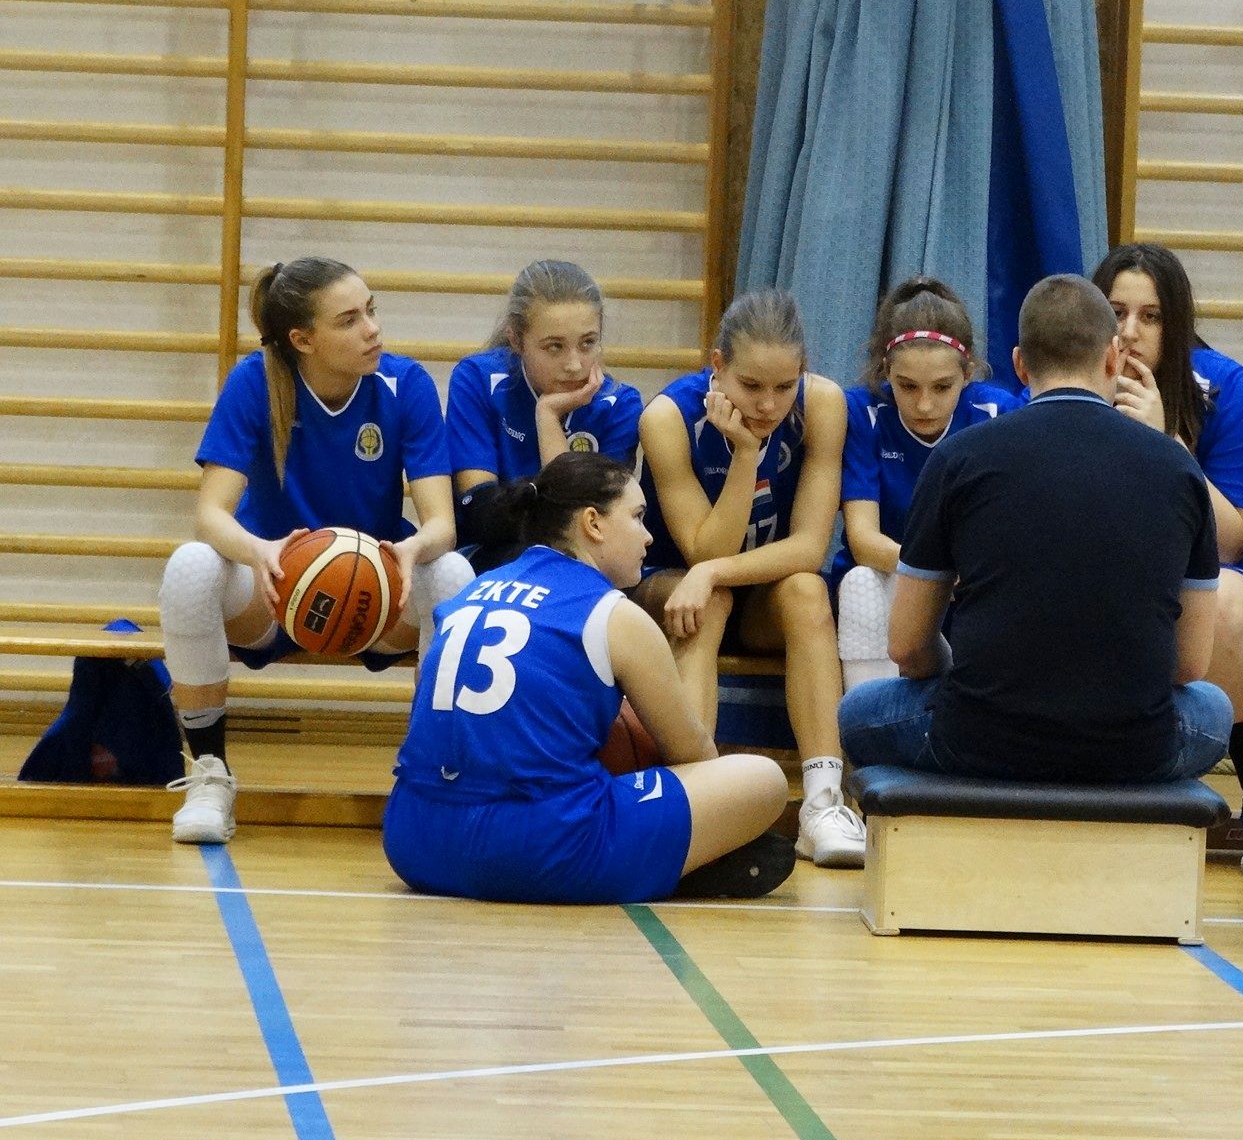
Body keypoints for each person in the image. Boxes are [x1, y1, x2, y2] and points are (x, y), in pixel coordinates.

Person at [837, 274, 1232, 783]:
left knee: (858, 711)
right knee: (1213, 707)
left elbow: (909, 649)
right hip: (1135, 750)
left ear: (1020, 365)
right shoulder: (1180, 470)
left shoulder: (958, 458)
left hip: (978, 742)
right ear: (1113, 358)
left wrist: (964, 685)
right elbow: (1189, 666)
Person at [158, 258, 474, 845]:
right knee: (191, 566)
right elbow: (210, 515)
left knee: (452, 572)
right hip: (273, 590)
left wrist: (412, 550)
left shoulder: (405, 384)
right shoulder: (254, 382)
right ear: (303, 340)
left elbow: (442, 526)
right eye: (349, 320)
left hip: (373, 597)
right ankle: (209, 774)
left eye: (371, 311)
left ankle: (430, 782)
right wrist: (259, 551)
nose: (372, 329)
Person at [383, 453, 792, 903]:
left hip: (412, 841)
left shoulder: (470, 592)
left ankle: (661, 859)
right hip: (538, 850)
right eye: (637, 517)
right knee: (763, 780)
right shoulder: (613, 613)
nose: (649, 536)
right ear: (593, 523)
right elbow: (693, 755)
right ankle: (680, 863)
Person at [633, 289, 862, 868]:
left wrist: (713, 572)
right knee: (709, 604)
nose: (767, 404)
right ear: (718, 365)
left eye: (784, 387)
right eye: (751, 385)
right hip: (673, 588)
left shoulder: (823, 405)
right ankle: (694, 803)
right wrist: (745, 456)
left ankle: (823, 805)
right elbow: (702, 547)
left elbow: (809, 547)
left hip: (755, 590)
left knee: (808, 590)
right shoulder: (667, 418)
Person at [1092, 246, 1243, 870]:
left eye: (1150, 316)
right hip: (1098, 567)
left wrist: (1165, 440)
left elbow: (1235, 539)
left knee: (1228, 596)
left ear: (1176, 325)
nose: (1129, 331)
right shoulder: (1066, 375)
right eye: (1116, 312)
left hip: (1189, 573)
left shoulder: (1226, 387)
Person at [836, 277, 1018, 690]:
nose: (924, 404)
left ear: (967, 373)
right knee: (861, 583)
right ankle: (870, 726)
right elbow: (864, 540)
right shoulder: (863, 412)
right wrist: (934, 576)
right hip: (891, 579)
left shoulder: (998, 414)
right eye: (907, 386)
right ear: (886, 371)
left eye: (942, 387)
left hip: (970, 584)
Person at [446, 260, 644, 573]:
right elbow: (481, 515)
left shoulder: (620, 404)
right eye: (554, 347)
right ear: (516, 340)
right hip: (493, 556)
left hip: (584, 565)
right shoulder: (478, 379)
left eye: (588, 343)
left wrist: (548, 418)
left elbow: (586, 531)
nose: (574, 365)